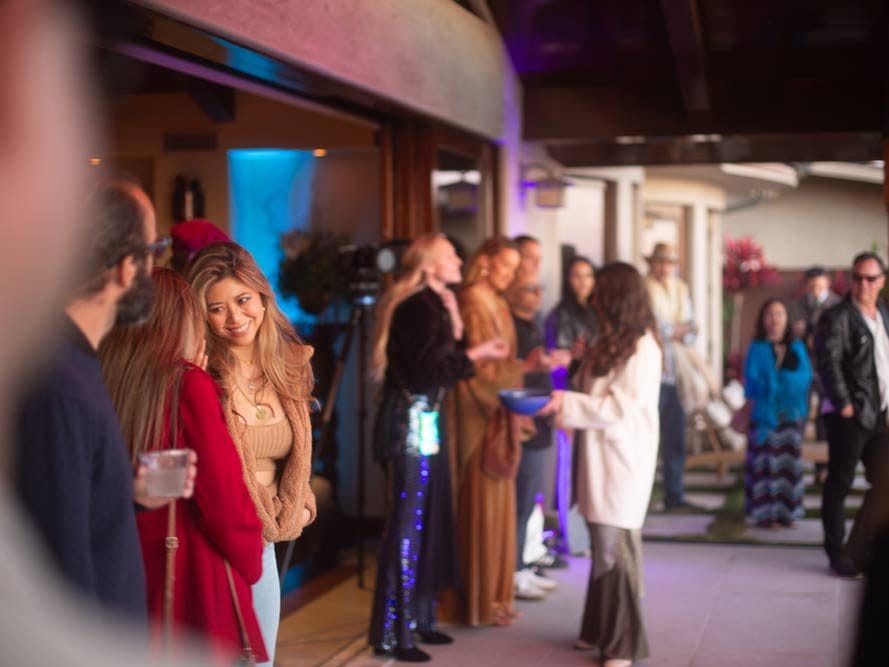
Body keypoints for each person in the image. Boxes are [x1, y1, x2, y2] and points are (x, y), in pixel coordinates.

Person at [13, 179, 193, 620]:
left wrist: (126, 494)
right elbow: (59, 567)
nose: (156, 263)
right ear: (127, 267)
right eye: (155, 248)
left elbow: (67, 504)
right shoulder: (57, 382)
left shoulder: (73, 361)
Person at [100, 268, 267, 664]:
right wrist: (252, 561)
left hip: (129, 569)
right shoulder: (187, 383)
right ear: (180, 321)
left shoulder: (108, 376)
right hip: (192, 574)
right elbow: (222, 497)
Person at [368, 234, 509, 662]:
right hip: (412, 419)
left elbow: (434, 365)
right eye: (450, 254)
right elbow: (430, 368)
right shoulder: (419, 307)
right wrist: (476, 352)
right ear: (429, 264)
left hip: (424, 417)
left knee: (427, 519)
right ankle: (395, 632)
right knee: (408, 525)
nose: (458, 260)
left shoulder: (434, 304)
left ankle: (419, 619)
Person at [188, 242, 317, 665]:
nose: (235, 318)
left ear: (263, 297)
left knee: (261, 659)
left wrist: (303, 505)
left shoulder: (290, 365)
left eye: (243, 300)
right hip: (215, 536)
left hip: (266, 538)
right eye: (217, 308)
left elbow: (297, 462)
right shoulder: (199, 374)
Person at [537, 262, 661, 667]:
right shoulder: (610, 341)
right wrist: (578, 365)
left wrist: (565, 404)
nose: (593, 302)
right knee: (601, 545)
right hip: (598, 459)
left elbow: (620, 408)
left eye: (601, 295)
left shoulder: (643, 347)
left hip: (622, 461)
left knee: (614, 548)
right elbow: (590, 389)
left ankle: (623, 643)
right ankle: (597, 629)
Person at [452, 237, 548, 627]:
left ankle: (495, 596)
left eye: (515, 267)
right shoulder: (474, 299)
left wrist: (521, 369)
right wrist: (519, 372)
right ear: (486, 262)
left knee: (502, 506)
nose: (510, 275)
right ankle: (478, 601)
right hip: (480, 414)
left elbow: (504, 362)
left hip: (500, 409)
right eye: (505, 266)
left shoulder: (497, 300)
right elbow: (478, 371)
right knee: (482, 504)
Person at [814, 251, 889, 577]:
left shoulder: (884, 314)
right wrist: (844, 403)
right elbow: (827, 362)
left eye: (870, 278)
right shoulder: (838, 316)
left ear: (881, 282)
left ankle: (858, 550)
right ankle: (836, 552)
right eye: (858, 277)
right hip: (851, 415)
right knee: (840, 483)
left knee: (885, 484)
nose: (863, 284)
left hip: (882, 414)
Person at [505, 272, 567, 600]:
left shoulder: (534, 323)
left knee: (532, 501)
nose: (538, 293)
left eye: (540, 287)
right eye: (530, 288)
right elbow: (510, 369)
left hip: (541, 419)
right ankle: (514, 571)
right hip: (523, 421)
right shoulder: (510, 325)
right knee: (520, 500)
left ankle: (525, 563)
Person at [544, 255, 598, 552]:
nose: (583, 282)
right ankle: (573, 537)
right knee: (568, 470)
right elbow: (558, 360)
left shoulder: (595, 312)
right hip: (568, 396)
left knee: (586, 468)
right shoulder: (561, 314)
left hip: (589, 398)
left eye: (588, 276)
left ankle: (585, 535)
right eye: (577, 276)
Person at [743, 299, 812, 529]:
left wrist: (778, 378)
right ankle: (766, 514)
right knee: (765, 465)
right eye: (770, 313)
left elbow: (804, 378)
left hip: (790, 415)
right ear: (763, 319)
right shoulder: (757, 347)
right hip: (764, 417)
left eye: (779, 313)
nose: (775, 318)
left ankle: (787, 513)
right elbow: (751, 382)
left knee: (788, 466)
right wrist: (774, 380)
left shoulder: (796, 347)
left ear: (786, 318)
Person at [644, 242, 695, 511]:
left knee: (676, 438)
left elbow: (692, 329)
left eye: (669, 263)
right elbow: (651, 325)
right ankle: (644, 495)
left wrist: (675, 329)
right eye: (660, 263)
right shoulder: (645, 289)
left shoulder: (681, 289)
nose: (664, 269)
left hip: (677, 374)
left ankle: (674, 494)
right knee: (649, 436)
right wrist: (676, 329)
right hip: (652, 373)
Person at [790, 266, 841, 485]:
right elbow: (793, 333)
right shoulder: (798, 305)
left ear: (827, 284)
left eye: (819, 286)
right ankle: (794, 465)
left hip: (827, 369)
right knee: (798, 414)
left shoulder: (837, 305)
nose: (815, 290)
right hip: (804, 367)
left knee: (825, 417)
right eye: (812, 286)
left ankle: (823, 469)